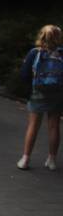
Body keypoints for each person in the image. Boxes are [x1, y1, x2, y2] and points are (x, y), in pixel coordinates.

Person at [18, 25, 63, 171]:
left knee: (33, 126)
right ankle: (51, 159)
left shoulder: (34, 52)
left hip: (37, 92)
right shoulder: (61, 54)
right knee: (54, 126)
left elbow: (24, 75)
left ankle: (25, 159)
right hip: (57, 93)